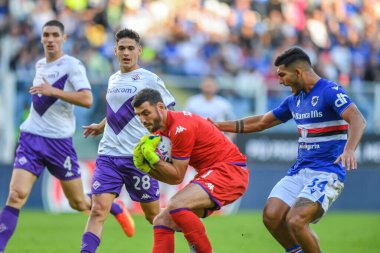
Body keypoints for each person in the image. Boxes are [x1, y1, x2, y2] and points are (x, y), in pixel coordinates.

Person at [212, 47, 366, 253]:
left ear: (299, 72)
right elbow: (261, 122)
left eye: (282, 75)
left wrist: (349, 150)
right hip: (300, 171)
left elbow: (357, 119)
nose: (280, 81)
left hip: (327, 172)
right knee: (272, 216)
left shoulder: (330, 91)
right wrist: (219, 126)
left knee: (296, 220)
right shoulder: (295, 100)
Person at [0, 20, 132, 253]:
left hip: (59, 143)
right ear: (41, 39)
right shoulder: (40, 64)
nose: (50, 39)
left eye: (54, 35)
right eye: (46, 35)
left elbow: (87, 99)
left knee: (79, 202)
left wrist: (53, 91)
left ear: (63, 39)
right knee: (16, 194)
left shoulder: (73, 66)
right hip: (31, 137)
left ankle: (115, 206)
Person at [80, 29, 175, 253]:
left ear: (139, 51)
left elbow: (169, 109)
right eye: (121, 48)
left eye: (130, 48)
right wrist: (101, 125)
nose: (126, 52)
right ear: (115, 51)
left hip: (139, 159)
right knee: (98, 210)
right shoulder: (113, 78)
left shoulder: (149, 79)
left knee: (153, 216)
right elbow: (118, 111)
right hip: (108, 156)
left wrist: (162, 141)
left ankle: (193, 236)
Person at [132, 88, 249, 253]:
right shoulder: (161, 132)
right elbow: (172, 178)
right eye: (139, 115)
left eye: (146, 113)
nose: (143, 120)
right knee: (161, 221)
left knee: (176, 204)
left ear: (160, 107)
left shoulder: (181, 127)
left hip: (229, 171)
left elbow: (177, 176)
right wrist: (146, 167)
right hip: (212, 173)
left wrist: (154, 161)